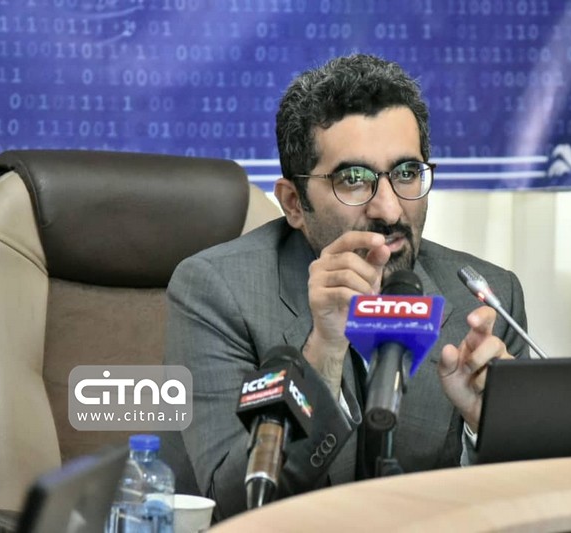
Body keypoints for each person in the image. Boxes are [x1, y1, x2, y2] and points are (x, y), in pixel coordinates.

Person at [165, 53, 530, 520]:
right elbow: (235, 503)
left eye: (406, 173)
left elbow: (534, 502)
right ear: (294, 203)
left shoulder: (485, 296)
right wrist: (324, 351)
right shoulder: (218, 292)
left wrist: (489, 430)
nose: (389, 210)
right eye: (354, 180)